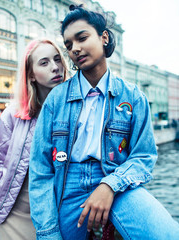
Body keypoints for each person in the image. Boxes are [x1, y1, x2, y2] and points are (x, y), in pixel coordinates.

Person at [29, 5, 179, 240]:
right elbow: (40, 170)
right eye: (68, 45)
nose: (75, 48)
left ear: (104, 37)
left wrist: (110, 185)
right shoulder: (56, 100)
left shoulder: (132, 96)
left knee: (165, 234)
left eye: (82, 38)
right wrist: (47, 232)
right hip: (67, 182)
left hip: (116, 178)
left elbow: (144, 156)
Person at [0, 38, 67, 240]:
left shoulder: (72, 111)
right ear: (30, 74)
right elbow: (1, 166)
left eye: (57, 60)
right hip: (15, 212)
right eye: (44, 62)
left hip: (57, 213)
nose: (55, 68)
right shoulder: (11, 115)